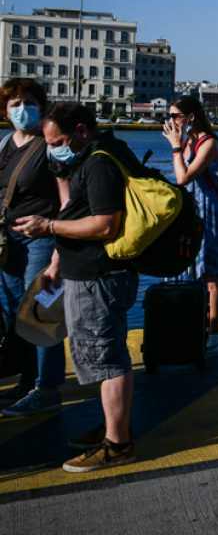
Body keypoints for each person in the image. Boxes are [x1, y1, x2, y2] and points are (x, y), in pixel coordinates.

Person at [13, 103, 139, 471]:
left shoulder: (99, 162)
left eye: (59, 141)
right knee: (108, 353)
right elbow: (75, 209)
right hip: (96, 273)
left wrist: (47, 228)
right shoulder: (107, 152)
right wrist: (56, 261)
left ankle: (117, 444)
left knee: (106, 358)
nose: (54, 148)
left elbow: (104, 225)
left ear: (82, 130)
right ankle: (114, 427)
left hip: (97, 275)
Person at [0, 79, 68, 417]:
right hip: (8, 242)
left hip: (40, 240)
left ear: (41, 106)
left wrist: (58, 246)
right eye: (14, 104)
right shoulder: (4, 144)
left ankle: (48, 387)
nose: (21, 109)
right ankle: (28, 381)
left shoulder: (50, 145)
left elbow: (67, 198)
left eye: (28, 102)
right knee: (16, 313)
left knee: (41, 313)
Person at [163, 96, 218, 357]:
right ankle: (194, 329)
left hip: (209, 212)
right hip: (191, 211)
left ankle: (214, 338)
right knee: (188, 270)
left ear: (191, 117)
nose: (171, 121)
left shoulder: (209, 143)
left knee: (210, 274)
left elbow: (183, 177)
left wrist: (175, 147)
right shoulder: (189, 142)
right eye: (169, 116)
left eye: (175, 116)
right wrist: (180, 145)